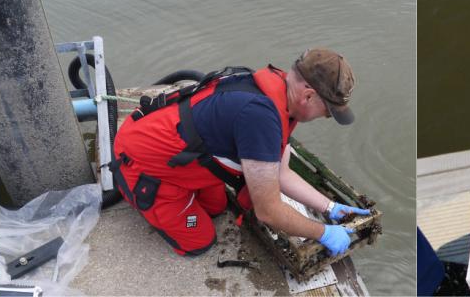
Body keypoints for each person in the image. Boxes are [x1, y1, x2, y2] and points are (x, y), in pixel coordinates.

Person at [110, 48, 371, 257]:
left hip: (178, 156)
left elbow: (280, 172)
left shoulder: (279, 91)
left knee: (217, 207)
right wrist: (323, 232)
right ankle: (137, 191)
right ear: (309, 96)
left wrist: (330, 207)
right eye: (328, 111)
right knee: (199, 239)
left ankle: (182, 195)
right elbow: (268, 211)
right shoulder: (260, 119)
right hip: (141, 164)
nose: (326, 117)